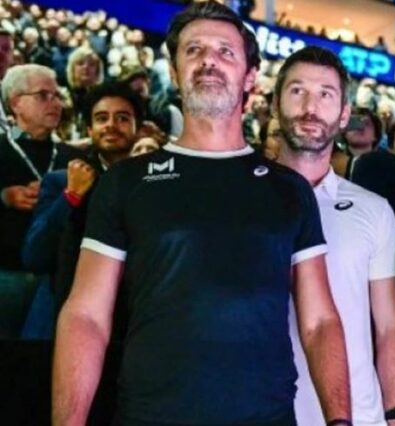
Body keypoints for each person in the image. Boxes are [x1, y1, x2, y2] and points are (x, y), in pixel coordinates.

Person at [52, 3, 350, 425]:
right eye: (193, 50)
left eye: (225, 51)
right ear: (174, 73)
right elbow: (86, 315)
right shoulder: (125, 183)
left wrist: (340, 420)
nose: (209, 60)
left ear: (250, 77)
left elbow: (320, 321)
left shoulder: (289, 190)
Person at [275, 46, 395, 426]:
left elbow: (388, 328)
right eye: (297, 91)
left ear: (343, 115)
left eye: (326, 94)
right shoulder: (242, 199)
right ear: (274, 104)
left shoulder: (374, 210)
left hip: (360, 416)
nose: (310, 107)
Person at [22, 81, 143, 327]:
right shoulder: (61, 181)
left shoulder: (153, 185)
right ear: (89, 129)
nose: (111, 125)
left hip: (134, 322)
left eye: (122, 118)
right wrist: (71, 196)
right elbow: (35, 256)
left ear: (138, 129)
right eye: (101, 118)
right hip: (63, 318)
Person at [0, 64, 78, 338]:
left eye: (57, 96)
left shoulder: (73, 157)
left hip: (57, 280)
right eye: (43, 95)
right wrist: (3, 197)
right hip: (6, 273)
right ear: (16, 103)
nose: (55, 103)